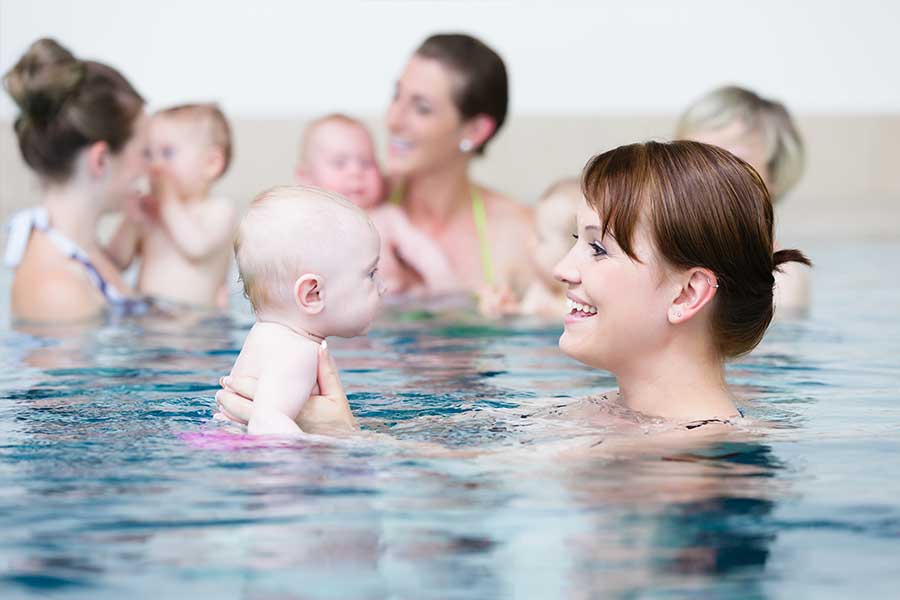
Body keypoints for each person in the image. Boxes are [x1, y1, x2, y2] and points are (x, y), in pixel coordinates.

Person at [217, 141, 811, 448]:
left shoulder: (698, 463)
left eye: (597, 249)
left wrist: (344, 441)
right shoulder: (597, 415)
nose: (561, 268)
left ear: (687, 295)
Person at [3, 38, 149, 323]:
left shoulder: (85, 250)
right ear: (101, 160)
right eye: (144, 152)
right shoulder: (57, 292)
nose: (149, 168)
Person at [384, 33, 533, 312]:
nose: (393, 120)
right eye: (396, 96)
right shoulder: (356, 212)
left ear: (474, 131)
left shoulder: (519, 235)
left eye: (422, 108)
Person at [226, 186, 384, 436]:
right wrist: (342, 444)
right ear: (313, 294)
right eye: (370, 274)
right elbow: (266, 425)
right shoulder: (299, 351)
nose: (382, 287)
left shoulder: (266, 335)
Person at [676, 85, 810, 312]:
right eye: (693, 157)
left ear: (774, 173)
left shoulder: (780, 285)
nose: (705, 175)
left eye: (732, 160)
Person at [295, 113, 457, 296]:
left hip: (391, 309)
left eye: (367, 163)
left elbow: (426, 254)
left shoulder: (386, 218)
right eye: (340, 164)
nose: (356, 172)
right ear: (306, 178)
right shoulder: (305, 225)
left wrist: (447, 292)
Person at [106, 103, 236, 309]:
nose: (155, 165)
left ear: (211, 163)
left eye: (167, 153)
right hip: (144, 322)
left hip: (196, 329)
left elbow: (196, 247)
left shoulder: (218, 211)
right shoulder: (150, 214)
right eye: (149, 154)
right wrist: (130, 220)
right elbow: (115, 262)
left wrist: (168, 201)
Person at [518, 178, 582, 319]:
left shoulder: (586, 301)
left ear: (573, 252)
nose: (530, 243)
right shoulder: (539, 290)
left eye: (541, 238)